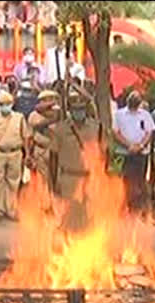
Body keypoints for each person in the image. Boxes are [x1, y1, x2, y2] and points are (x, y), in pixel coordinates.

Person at [52, 94, 104, 230]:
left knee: (90, 215)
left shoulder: (96, 127)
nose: (78, 112)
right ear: (70, 110)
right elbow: (53, 156)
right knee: (69, 215)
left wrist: (101, 175)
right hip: (69, 177)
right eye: (75, 109)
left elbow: (104, 152)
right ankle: (68, 245)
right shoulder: (61, 129)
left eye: (81, 109)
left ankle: (87, 245)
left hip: (89, 177)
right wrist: (53, 182)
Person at [0, 92, 27, 221]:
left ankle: (11, 210)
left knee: (13, 183)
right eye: (2, 105)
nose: (4, 107)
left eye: (7, 104)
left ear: (12, 104)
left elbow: (26, 136)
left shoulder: (19, 118)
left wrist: (27, 154)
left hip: (15, 153)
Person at [114, 91, 155, 215]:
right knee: (125, 181)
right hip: (124, 153)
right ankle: (125, 207)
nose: (134, 100)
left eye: (137, 98)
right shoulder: (119, 114)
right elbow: (116, 133)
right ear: (128, 100)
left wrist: (141, 145)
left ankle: (140, 209)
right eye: (133, 98)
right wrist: (129, 145)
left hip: (141, 154)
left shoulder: (145, 115)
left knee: (140, 181)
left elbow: (149, 132)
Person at [27, 89, 59, 206]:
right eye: (46, 99)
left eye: (51, 98)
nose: (49, 101)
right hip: (40, 150)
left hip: (56, 151)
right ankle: (44, 205)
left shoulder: (60, 113)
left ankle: (56, 204)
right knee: (42, 180)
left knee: (56, 179)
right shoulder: (34, 115)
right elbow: (30, 135)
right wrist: (29, 155)